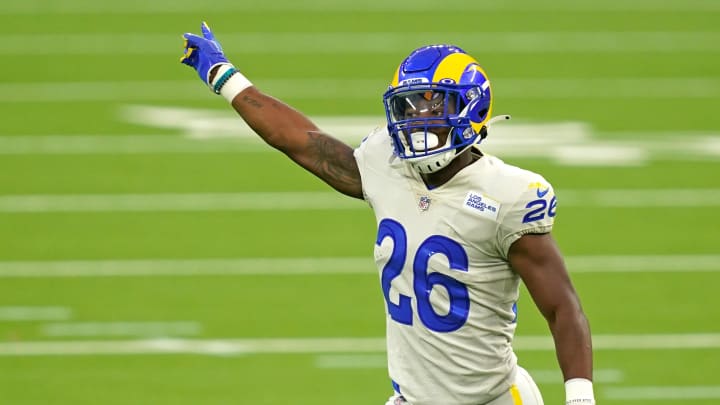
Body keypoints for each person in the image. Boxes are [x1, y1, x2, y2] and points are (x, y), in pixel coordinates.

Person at [181, 22, 595, 405]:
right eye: (410, 107)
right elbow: (303, 142)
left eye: (433, 107)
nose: (417, 120)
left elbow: (563, 307)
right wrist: (224, 76)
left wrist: (580, 398)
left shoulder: (506, 196)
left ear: (471, 108)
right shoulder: (388, 164)